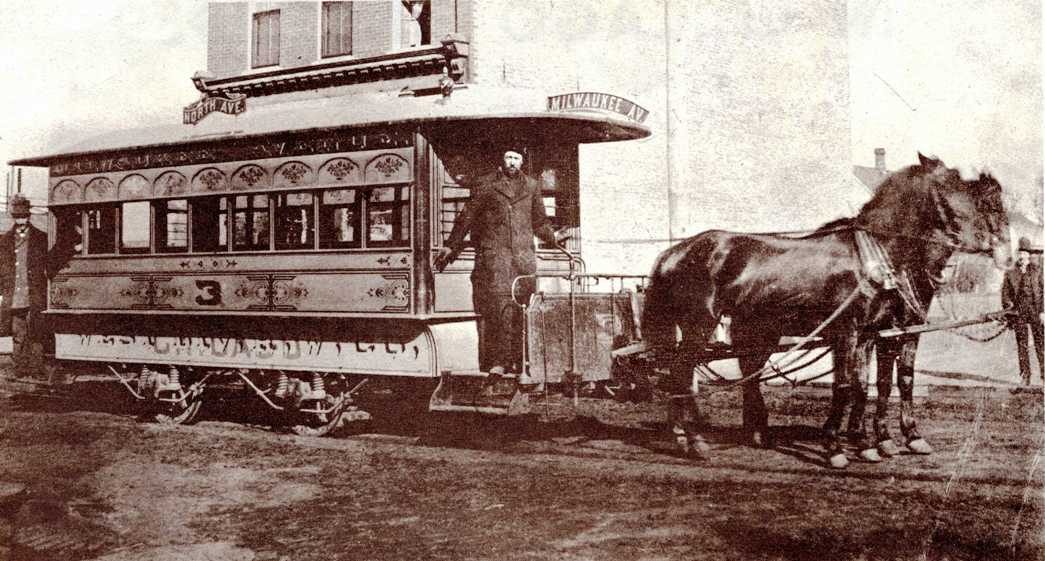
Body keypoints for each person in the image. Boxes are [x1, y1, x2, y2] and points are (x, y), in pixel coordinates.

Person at [434, 149, 563, 382]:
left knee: (524, 309)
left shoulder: (531, 185)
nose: (512, 162)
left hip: (523, 260)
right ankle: (499, 362)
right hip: (496, 258)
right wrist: (451, 245)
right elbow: (468, 215)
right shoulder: (486, 184)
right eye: (508, 158)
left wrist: (554, 239)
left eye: (516, 158)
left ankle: (523, 361)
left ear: (522, 162)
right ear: (502, 161)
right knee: (500, 309)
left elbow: (539, 221)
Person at [0, 195, 52, 378]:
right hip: (14, 296)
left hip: (34, 294)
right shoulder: (4, 241)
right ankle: (19, 368)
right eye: (17, 216)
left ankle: (37, 368)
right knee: (18, 333)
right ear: (13, 217)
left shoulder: (41, 238)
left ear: (28, 215)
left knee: (36, 332)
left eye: (23, 216)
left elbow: (51, 261)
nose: (20, 220)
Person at [1002, 237, 1044, 385]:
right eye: (1020, 253)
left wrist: (1043, 312)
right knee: (1022, 345)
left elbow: (1043, 292)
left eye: (1025, 253)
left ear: (1029, 255)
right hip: (1018, 312)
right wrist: (1009, 308)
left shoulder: (1037, 271)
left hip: (1036, 310)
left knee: (1041, 344)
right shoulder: (1010, 273)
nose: (1022, 256)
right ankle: (1025, 376)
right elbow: (1005, 294)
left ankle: (1044, 375)